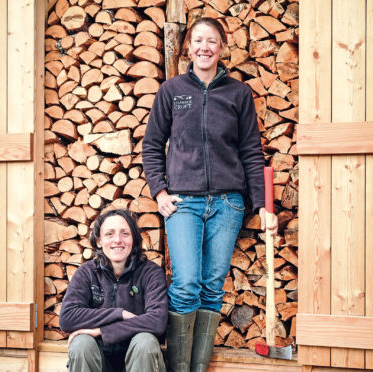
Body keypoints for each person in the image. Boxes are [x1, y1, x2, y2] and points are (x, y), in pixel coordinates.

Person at [142, 16, 278, 372]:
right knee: (186, 283)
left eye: (212, 41)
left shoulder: (237, 92)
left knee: (212, 288)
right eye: (199, 40)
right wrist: (159, 191)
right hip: (183, 203)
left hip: (228, 203)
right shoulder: (172, 91)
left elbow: (251, 151)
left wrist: (262, 205)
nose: (205, 47)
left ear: (222, 47)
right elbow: (153, 146)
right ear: (188, 46)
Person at [59, 209, 168, 372]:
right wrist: (119, 314)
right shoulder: (87, 272)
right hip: (99, 360)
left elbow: (157, 321)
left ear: (134, 239)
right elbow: (67, 318)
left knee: (146, 341)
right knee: (81, 343)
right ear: (99, 241)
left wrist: (101, 331)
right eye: (110, 234)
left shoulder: (150, 273)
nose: (118, 240)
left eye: (125, 233)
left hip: (140, 360)